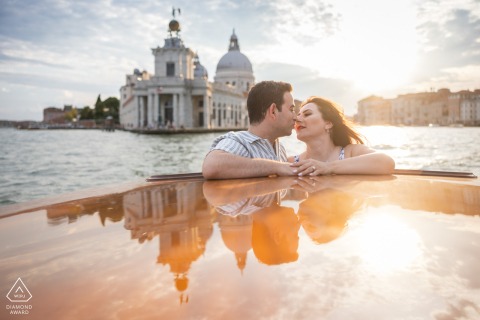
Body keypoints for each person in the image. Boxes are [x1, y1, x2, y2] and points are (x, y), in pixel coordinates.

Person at [202, 81, 297, 179]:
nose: (295, 117)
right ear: (273, 111)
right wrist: (277, 167)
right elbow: (211, 166)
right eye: (291, 109)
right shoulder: (239, 142)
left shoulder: (280, 148)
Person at [290, 96, 395, 176]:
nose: (297, 119)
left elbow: (387, 162)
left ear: (328, 123)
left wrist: (328, 167)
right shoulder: (292, 163)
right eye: (298, 115)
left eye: (307, 114)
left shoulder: (351, 152)